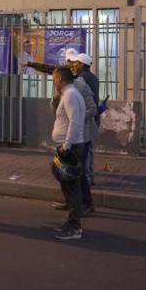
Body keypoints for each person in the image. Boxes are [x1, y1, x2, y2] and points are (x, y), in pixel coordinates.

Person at [51, 67, 87, 240]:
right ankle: (71, 223)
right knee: (69, 187)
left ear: (59, 79)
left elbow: (74, 121)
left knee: (72, 189)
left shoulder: (71, 94)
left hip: (70, 147)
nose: (53, 83)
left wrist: (66, 146)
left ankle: (74, 228)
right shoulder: (68, 94)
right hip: (69, 145)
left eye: (54, 80)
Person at [69, 52, 100, 187]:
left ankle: (85, 178)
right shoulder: (94, 77)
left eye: (76, 63)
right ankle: (90, 176)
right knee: (90, 149)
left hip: (85, 117)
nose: (74, 66)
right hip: (94, 116)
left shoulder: (80, 79)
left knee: (83, 152)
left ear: (82, 65)